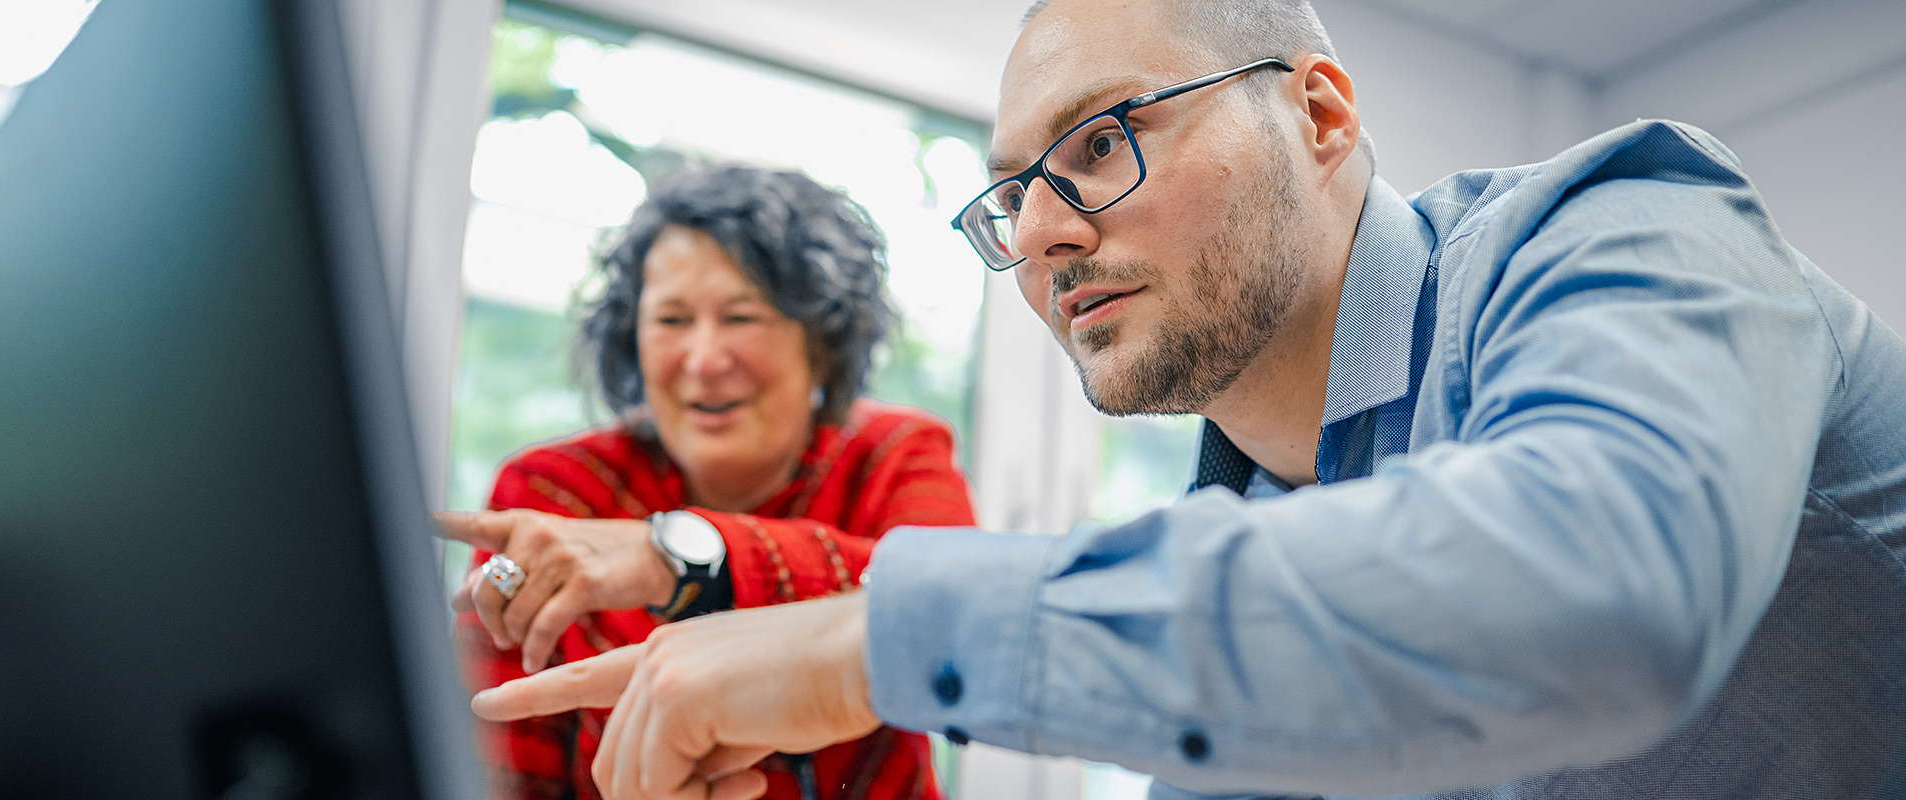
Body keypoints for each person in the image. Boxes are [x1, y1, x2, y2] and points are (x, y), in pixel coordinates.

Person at [469, 0, 1906, 798]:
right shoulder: (1244, 543)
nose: (1036, 238)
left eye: (1099, 145)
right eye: (1012, 196)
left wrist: (868, 642)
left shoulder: (1626, 229)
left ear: (1323, 115)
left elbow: (1598, 594)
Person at [439, 164, 976, 800]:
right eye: (670, 320)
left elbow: (956, 611)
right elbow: (495, 758)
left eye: (741, 317)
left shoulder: (893, 454)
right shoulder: (553, 491)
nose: (703, 359)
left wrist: (680, 555)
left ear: (822, 344)